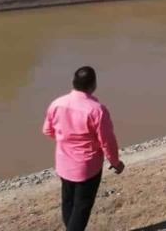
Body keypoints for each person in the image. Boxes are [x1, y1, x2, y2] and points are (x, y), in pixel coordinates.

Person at [43, 66, 124, 231]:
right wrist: (115, 162)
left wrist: (67, 141)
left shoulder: (57, 104)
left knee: (68, 202)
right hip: (87, 167)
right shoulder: (96, 110)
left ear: (73, 82)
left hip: (64, 164)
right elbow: (107, 141)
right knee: (81, 208)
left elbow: (47, 130)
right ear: (93, 85)